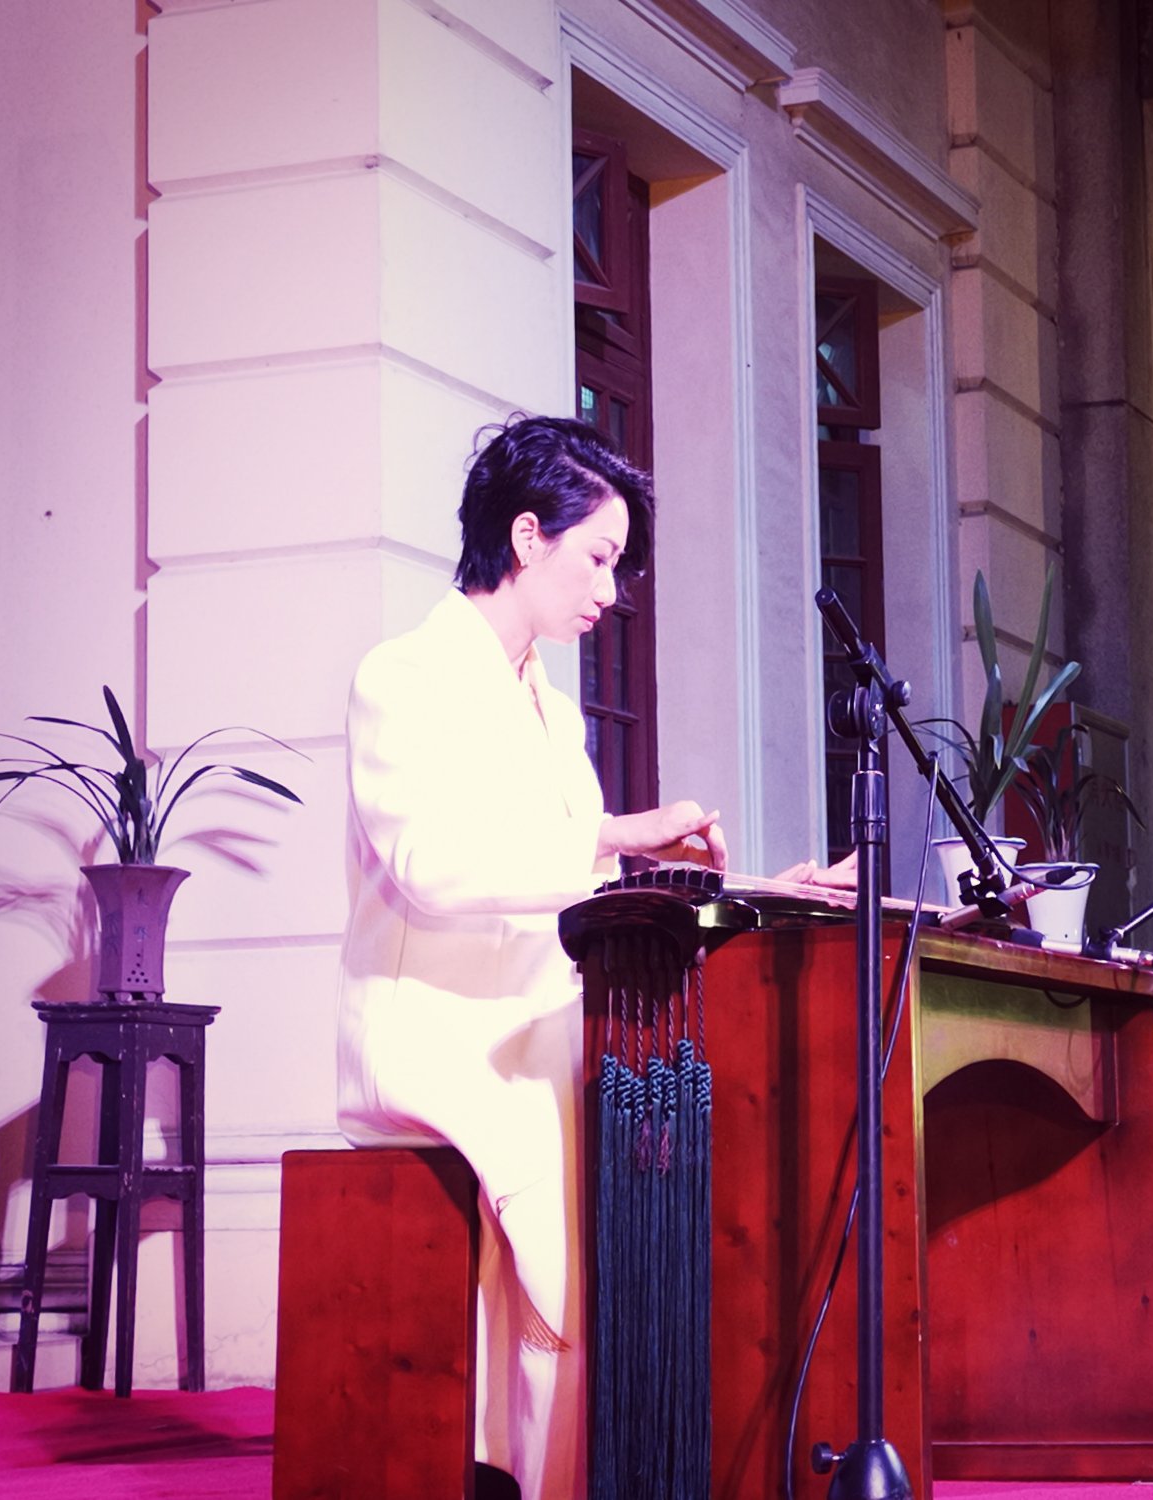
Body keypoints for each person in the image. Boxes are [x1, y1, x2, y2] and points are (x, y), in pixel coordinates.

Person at [335, 415, 824, 1499]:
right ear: (526, 537)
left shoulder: (555, 715)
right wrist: (616, 835)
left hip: (537, 1025)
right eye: (597, 558)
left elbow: (584, 892)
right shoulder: (402, 674)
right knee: (586, 1203)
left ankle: (598, 1468)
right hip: (436, 1030)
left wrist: (761, 892)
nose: (610, 590)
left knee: (674, 1150)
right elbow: (428, 867)